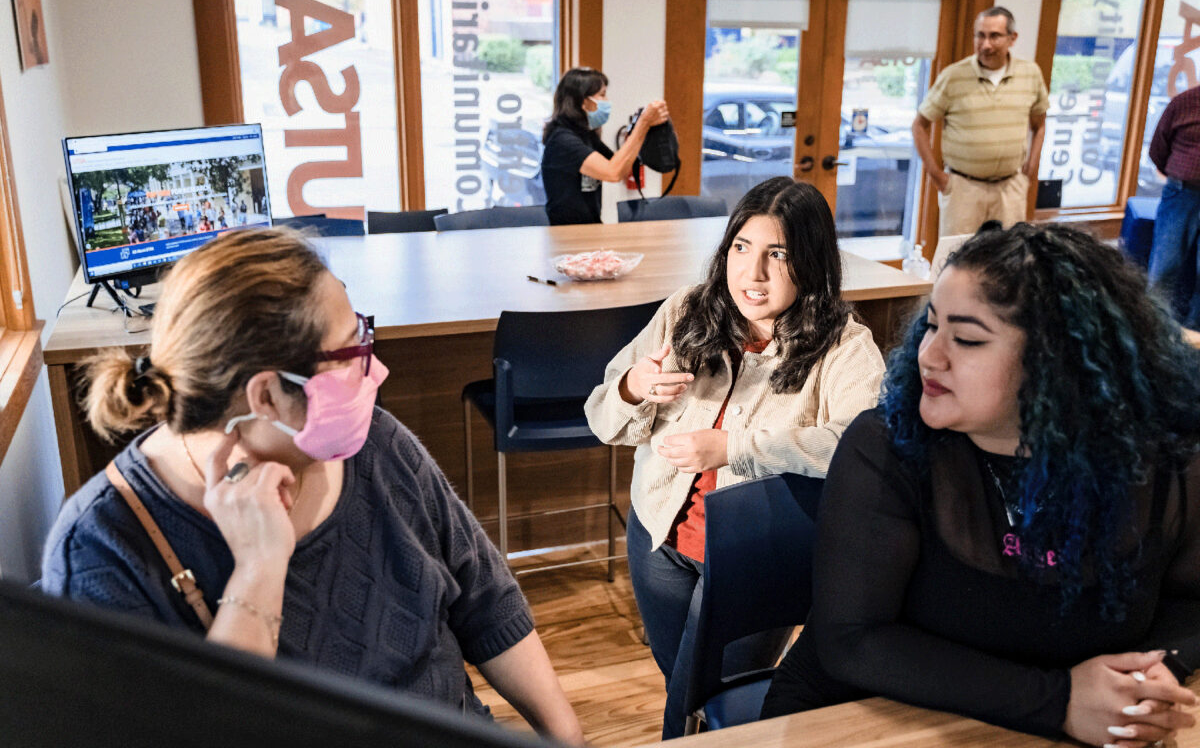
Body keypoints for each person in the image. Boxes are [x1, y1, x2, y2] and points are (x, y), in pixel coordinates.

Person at [40, 229, 584, 745]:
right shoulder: (101, 549)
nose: (376, 369)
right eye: (353, 351)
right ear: (269, 396)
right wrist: (258, 568)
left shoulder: (374, 444)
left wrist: (569, 739)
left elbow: (487, 604)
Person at [761, 222, 1200, 748]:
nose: (929, 355)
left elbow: (1190, 600)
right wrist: (1057, 700)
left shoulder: (1167, 462)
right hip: (862, 718)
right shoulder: (887, 446)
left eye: (966, 339)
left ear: (1057, 364)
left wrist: (1159, 670)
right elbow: (852, 641)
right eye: (931, 326)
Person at [584, 177, 886, 738]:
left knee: (702, 701)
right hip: (659, 537)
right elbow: (601, 418)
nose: (754, 274)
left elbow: (861, 447)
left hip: (754, 561)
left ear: (812, 262)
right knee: (684, 680)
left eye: (779, 254)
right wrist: (631, 386)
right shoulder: (685, 311)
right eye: (742, 249)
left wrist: (734, 449)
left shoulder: (844, 347)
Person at [912, 7, 1049, 236]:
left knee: (1008, 262)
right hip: (963, 189)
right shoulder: (954, 76)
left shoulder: (1030, 73)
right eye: (980, 35)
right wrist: (937, 176)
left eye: (994, 36)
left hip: (1010, 189)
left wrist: (1030, 170)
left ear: (1012, 38)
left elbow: (1040, 124)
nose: (986, 45)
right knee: (957, 260)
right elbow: (919, 125)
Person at [540, 66, 669, 225]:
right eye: (602, 95)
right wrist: (643, 124)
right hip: (567, 233)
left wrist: (641, 129)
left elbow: (623, 168)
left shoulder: (585, 134)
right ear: (583, 102)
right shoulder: (562, 140)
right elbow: (612, 173)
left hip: (590, 227)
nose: (607, 101)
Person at [1147, 83, 1200, 330]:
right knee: (1164, 268)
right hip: (1181, 194)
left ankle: (1195, 334)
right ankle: (1154, 331)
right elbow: (1158, 149)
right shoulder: (1183, 103)